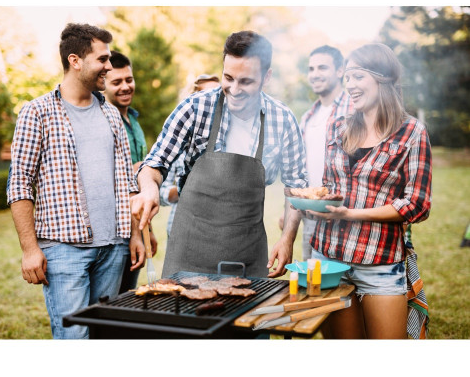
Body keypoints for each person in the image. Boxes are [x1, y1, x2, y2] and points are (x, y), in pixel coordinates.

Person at [7, 23, 145, 339]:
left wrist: (134, 235)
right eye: (102, 59)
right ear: (75, 60)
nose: (109, 67)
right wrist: (30, 249)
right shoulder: (36, 112)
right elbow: (20, 183)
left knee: (103, 334)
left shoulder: (111, 114)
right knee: (74, 337)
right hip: (63, 249)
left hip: (113, 248)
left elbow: (128, 182)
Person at [132, 31, 308, 278]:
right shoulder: (194, 107)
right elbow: (154, 165)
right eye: (228, 78)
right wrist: (149, 188)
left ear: (266, 77)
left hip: (247, 254)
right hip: (189, 251)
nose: (234, 89)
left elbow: (296, 187)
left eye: (245, 81)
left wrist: (287, 239)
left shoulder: (283, 119)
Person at [306, 43, 432, 339]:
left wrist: (352, 214)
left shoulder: (412, 132)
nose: (349, 85)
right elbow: (331, 187)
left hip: (379, 262)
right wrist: (318, 201)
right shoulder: (337, 126)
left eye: (357, 76)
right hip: (328, 257)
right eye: (347, 77)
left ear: (382, 78)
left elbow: (417, 205)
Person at [279, 45, 354, 260]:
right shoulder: (308, 117)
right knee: (313, 280)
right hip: (310, 214)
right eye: (311, 69)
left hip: (342, 214)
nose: (315, 74)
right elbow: (298, 171)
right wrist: (290, 209)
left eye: (322, 67)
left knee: (343, 285)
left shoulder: (354, 109)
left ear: (340, 71)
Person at [103, 50, 157, 293]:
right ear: (103, 83)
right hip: (113, 230)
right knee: (108, 300)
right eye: (116, 82)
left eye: (129, 79)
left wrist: (148, 232)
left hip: (137, 226)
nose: (125, 87)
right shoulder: (103, 120)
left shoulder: (134, 121)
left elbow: (141, 184)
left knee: (127, 296)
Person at [159, 73, 220, 237]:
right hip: (181, 231)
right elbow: (161, 192)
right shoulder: (178, 143)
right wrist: (186, 189)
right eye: (205, 95)